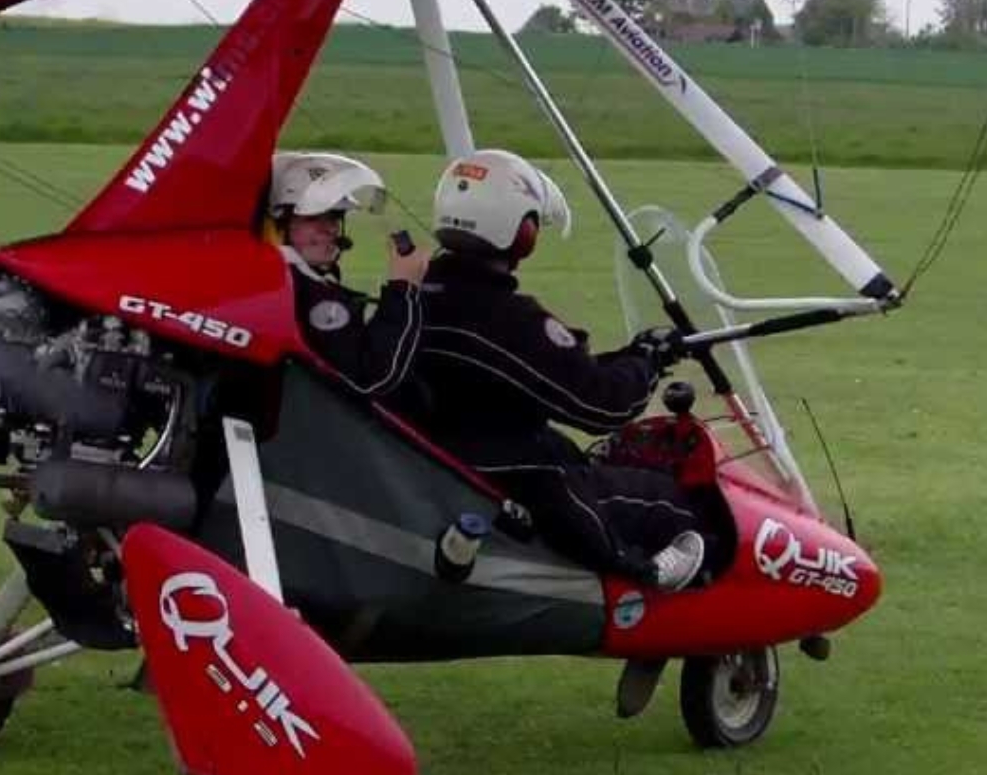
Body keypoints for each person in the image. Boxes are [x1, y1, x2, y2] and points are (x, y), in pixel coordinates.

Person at [408, 148, 706, 590]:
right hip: (516, 477)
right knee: (670, 504)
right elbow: (601, 407)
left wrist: (630, 356)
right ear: (522, 234)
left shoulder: (415, 296)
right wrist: (649, 359)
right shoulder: (507, 319)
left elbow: (543, 378)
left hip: (455, 462)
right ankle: (642, 573)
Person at [269, 151, 430, 399]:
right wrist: (404, 289)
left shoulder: (291, 278)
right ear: (281, 224)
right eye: (313, 218)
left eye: (334, 216)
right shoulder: (311, 296)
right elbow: (373, 379)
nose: (329, 228)